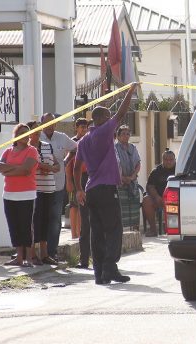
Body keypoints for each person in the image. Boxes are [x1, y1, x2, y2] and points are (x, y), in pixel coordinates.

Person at [74, 83, 138, 284]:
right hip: (107, 189)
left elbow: (76, 167)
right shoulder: (103, 131)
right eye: (107, 116)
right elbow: (120, 115)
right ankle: (110, 268)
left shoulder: (83, 140)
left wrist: (78, 190)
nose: (111, 119)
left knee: (97, 231)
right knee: (114, 230)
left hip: (91, 190)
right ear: (100, 119)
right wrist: (129, 92)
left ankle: (99, 273)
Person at [0, 123, 39, 267]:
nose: (26, 135)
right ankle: (19, 257)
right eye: (23, 133)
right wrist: (17, 168)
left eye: (28, 133)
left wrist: (8, 171)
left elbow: (26, 170)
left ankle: (28, 258)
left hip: (26, 194)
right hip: (9, 194)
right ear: (16, 135)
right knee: (13, 226)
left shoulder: (32, 150)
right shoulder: (8, 151)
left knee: (26, 226)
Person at [39, 113, 78, 261]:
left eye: (53, 122)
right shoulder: (37, 137)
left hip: (58, 184)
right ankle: (37, 252)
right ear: (42, 123)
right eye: (47, 122)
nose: (50, 125)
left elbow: (76, 148)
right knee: (40, 219)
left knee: (55, 219)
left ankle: (51, 252)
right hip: (40, 186)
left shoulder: (61, 137)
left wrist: (66, 161)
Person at [27, 120, 60, 266]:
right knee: (35, 222)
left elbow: (57, 164)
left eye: (38, 129)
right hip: (35, 189)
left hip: (49, 188)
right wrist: (43, 167)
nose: (37, 131)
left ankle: (45, 254)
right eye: (34, 129)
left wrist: (51, 168)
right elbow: (33, 164)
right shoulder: (27, 148)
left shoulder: (47, 146)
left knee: (46, 221)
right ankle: (33, 254)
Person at [66, 118, 91, 268]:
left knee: (84, 209)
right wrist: (69, 181)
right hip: (76, 176)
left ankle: (80, 231)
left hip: (88, 175)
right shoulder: (73, 142)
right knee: (74, 205)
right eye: (81, 127)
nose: (83, 130)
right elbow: (69, 163)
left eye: (85, 127)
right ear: (76, 128)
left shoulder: (90, 140)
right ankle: (74, 234)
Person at [142, 149, 176, 237]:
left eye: (171, 159)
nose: (168, 162)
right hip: (158, 199)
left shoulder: (179, 170)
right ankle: (153, 230)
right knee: (146, 200)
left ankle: (173, 229)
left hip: (174, 198)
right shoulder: (156, 171)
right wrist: (157, 197)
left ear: (175, 160)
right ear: (162, 160)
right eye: (166, 159)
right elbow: (150, 186)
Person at [115, 125, 141, 230]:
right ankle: (122, 232)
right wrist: (122, 178)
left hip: (132, 182)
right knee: (122, 209)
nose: (126, 136)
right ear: (118, 136)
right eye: (123, 134)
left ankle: (135, 232)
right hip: (120, 183)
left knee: (134, 208)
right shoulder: (114, 148)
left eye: (128, 134)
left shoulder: (132, 148)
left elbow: (138, 163)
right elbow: (113, 165)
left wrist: (132, 177)